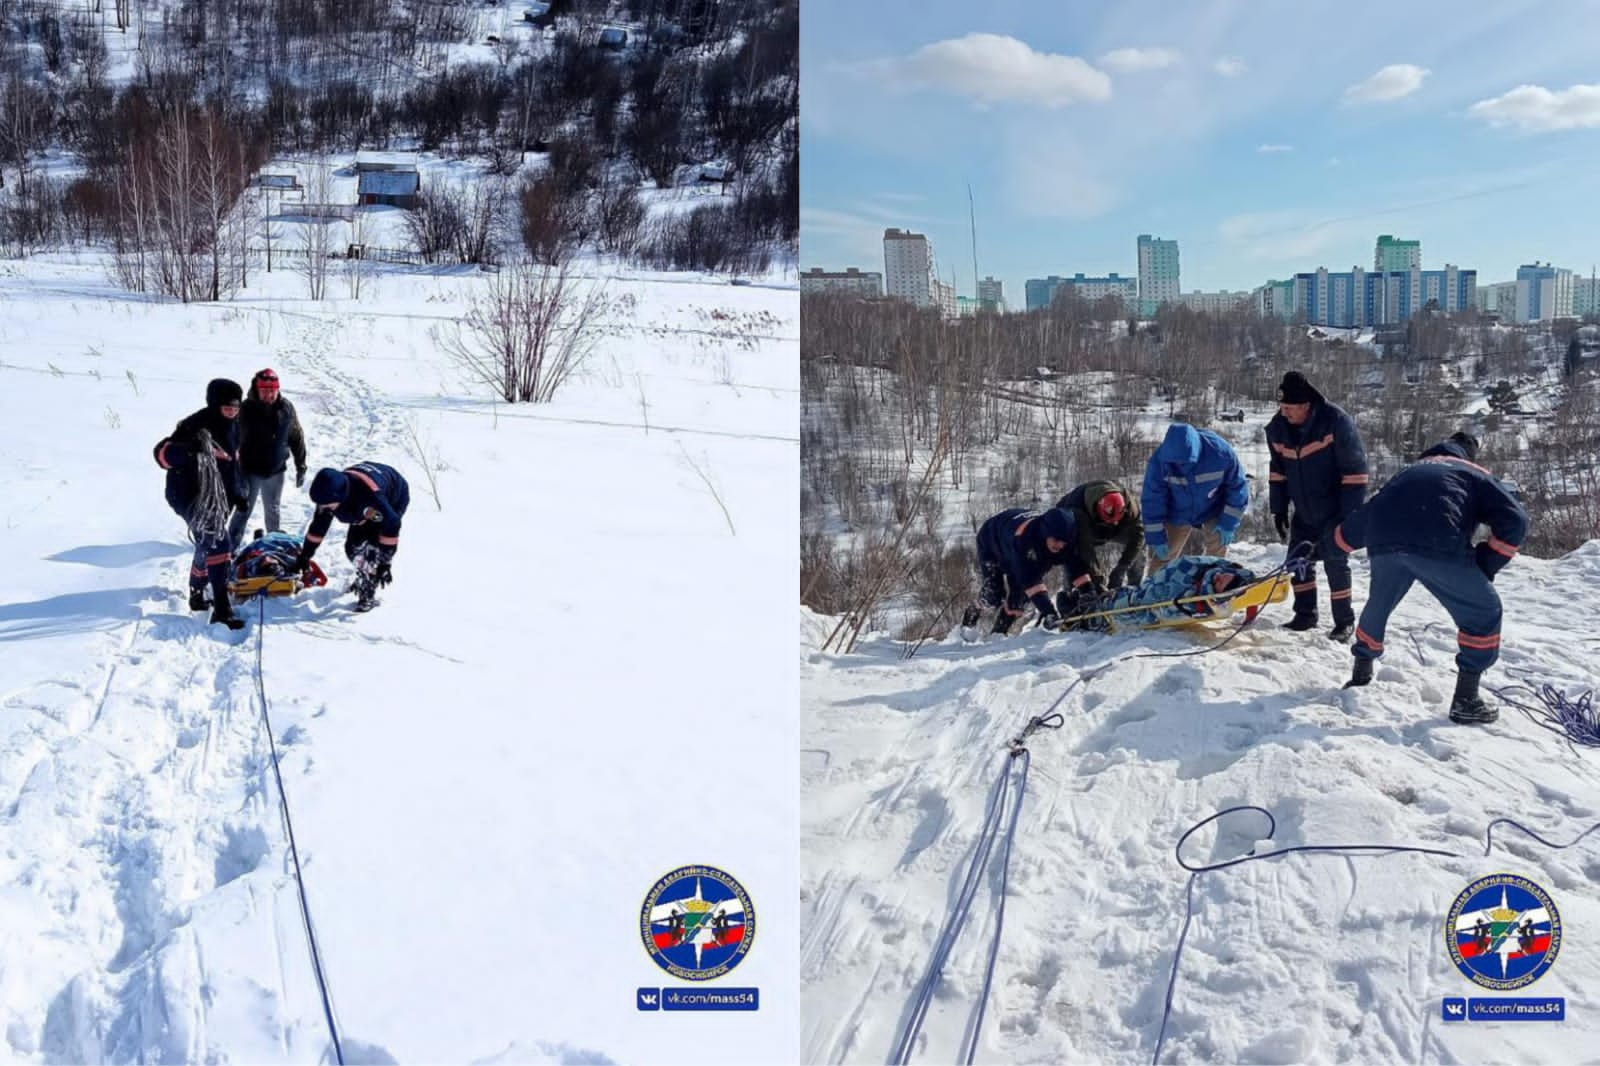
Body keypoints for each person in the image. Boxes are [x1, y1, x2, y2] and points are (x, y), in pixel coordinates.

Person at [1333, 432, 1528, 725]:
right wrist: (1486, 563)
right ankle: (1466, 699)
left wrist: (1332, 545)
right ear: (1468, 455)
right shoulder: (1475, 473)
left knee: (1380, 602)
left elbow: (1367, 515)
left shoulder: (1409, 472)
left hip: (1384, 543)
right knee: (1484, 612)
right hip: (1438, 540)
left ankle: (1361, 670)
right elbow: (1516, 520)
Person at [1266, 371, 1370, 641]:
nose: (1284, 413)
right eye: (1281, 407)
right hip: (1304, 511)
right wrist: (1278, 508)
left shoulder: (1335, 422)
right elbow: (1278, 472)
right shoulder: (1277, 429)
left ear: (1305, 405)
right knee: (1297, 562)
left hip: (1335, 509)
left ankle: (1344, 621)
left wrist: (1347, 518)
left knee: (1335, 563)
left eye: (1289, 408)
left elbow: (1356, 474)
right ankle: (1305, 614)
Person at [152, 378, 249, 630]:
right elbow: (161, 454)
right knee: (220, 543)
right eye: (227, 408)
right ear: (215, 405)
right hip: (188, 495)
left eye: (236, 408)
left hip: (221, 497)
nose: (232, 413)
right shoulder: (194, 426)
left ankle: (196, 590)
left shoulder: (235, 427)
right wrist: (189, 449)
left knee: (208, 544)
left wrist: (238, 492)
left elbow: (232, 463)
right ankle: (221, 609)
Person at [961, 506, 1096, 635]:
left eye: (1064, 542)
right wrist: (1048, 611)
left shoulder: (1066, 541)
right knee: (993, 595)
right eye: (1056, 540)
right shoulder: (1024, 541)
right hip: (992, 542)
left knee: (1019, 602)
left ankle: (998, 635)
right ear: (1046, 532)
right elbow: (1031, 582)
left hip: (1019, 550)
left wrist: (1087, 592)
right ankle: (971, 615)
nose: (1060, 545)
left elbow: (1076, 567)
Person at [1141, 423, 1249, 571]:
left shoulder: (1220, 453)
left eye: (1184, 462)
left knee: (1216, 551)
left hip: (1213, 507)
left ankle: (1211, 581)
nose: (1179, 466)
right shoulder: (1159, 461)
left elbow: (1238, 487)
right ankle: (1154, 590)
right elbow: (1152, 500)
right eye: (1175, 462)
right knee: (1163, 556)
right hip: (1176, 511)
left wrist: (1228, 523)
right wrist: (1156, 537)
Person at [290, 462, 410, 592]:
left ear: (340, 497)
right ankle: (365, 574)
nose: (324, 508)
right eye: (321, 505)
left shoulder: (371, 497)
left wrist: (385, 562)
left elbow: (392, 523)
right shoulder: (328, 497)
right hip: (361, 501)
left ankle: (368, 587)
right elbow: (318, 528)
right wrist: (305, 556)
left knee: (373, 545)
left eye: (328, 505)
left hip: (393, 495)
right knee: (352, 548)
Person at [1066, 555, 1260, 631]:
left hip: (1140, 604)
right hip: (1148, 594)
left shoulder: (1201, 598)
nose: (1220, 577)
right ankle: (1079, 607)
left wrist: (1250, 614)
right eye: (1223, 575)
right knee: (1117, 604)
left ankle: (1078, 612)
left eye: (1220, 583)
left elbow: (1163, 611)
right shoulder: (1216, 569)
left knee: (1116, 610)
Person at [228, 368, 308, 546]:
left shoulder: (286, 408)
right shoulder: (245, 410)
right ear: (257, 390)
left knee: (273, 510)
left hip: (276, 470)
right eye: (264, 391)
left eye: (272, 391)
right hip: (250, 470)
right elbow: (233, 439)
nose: (269, 395)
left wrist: (301, 465)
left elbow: (296, 436)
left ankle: (273, 544)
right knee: (243, 509)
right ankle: (230, 546)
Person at [1053, 479, 1144, 601]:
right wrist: (1098, 582)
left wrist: (1122, 567)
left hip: (1112, 530)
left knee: (1138, 552)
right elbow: (1086, 550)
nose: (1114, 523)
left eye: (1117, 520)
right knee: (1075, 565)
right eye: (1110, 520)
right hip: (1080, 532)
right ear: (1097, 508)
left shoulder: (1130, 506)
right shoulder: (1077, 511)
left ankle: (1134, 593)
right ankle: (1074, 601)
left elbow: (1138, 537)